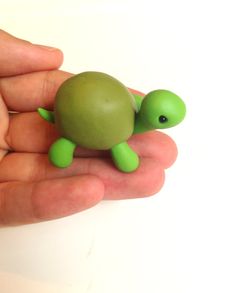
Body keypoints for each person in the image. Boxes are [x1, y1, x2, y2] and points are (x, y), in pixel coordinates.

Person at [0, 29, 177, 226]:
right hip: (75, 123)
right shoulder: (119, 137)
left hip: (75, 99)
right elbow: (129, 164)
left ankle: (64, 144)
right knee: (69, 144)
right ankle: (64, 146)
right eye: (163, 120)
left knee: (66, 143)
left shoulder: (131, 102)